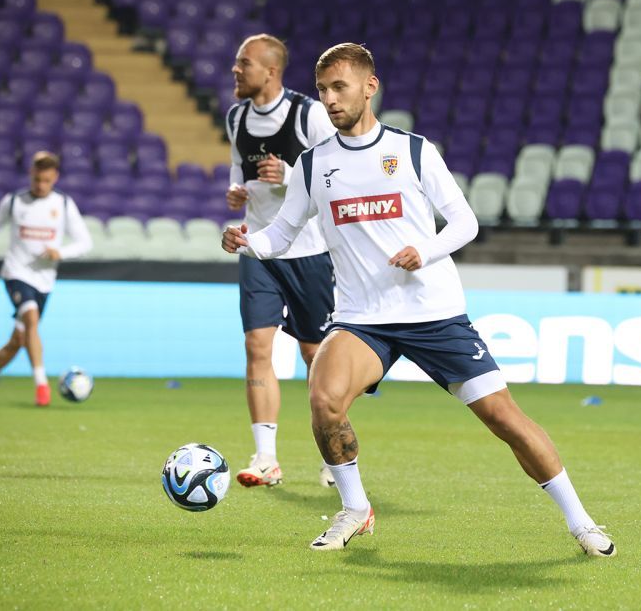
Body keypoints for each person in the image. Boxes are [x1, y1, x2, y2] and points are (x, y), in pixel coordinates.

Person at [221, 43, 615, 557]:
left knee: (504, 419)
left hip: (433, 314)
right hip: (363, 319)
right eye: (322, 90)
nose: (330, 100)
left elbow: (466, 222)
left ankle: (580, 521)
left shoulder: (413, 151)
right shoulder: (314, 165)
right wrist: (248, 239)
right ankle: (355, 509)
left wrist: (424, 251)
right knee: (324, 398)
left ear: (370, 86)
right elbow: (284, 234)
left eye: (339, 87)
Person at [225, 34, 338, 488]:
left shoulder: (308, 113)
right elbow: (238, 166)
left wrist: (292, 176)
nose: (235, 70)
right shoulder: (236, 117)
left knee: (317, 356)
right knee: (257, 346)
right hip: (258, 247)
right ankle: (266, 458)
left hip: (309, 251)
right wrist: (235, 191)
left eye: (243, 63)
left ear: (270, 71)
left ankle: (334, 451)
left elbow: (338, 175)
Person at [0, 151, 92, 406]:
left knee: (19, 340)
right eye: (37, 180)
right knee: (31, 319)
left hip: (44, 279)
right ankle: (42, 386)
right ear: (30, 175)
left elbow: (85, 242)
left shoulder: (64, 204)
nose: (41, 185)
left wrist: (61, 252)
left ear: (55, 177)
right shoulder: (14, 201)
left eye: (46, 180)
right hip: (16, 273)